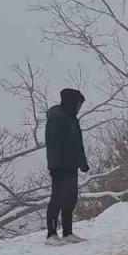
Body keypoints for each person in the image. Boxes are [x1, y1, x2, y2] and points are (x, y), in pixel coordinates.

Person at [45, 88, 90, 245]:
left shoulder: (72, 119)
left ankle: (67, 232)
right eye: (78, 104)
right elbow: (53, 144)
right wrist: (55, 165)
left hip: (71, 165)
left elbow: (77, 145)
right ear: (71, 102)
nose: (79, 108)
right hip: (59, 166)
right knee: (57, 198)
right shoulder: (57, 118)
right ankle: (51, 234)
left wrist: (82, 162)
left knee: (70, 199)